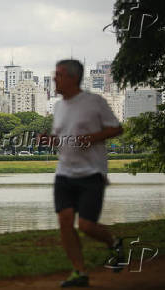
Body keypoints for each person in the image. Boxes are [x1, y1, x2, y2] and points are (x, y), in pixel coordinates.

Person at [51, 59, 124, 287]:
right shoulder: (58, 106)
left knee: (86, 226)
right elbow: (59, 138)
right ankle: (79, 272)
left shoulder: (94, 102)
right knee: (64, 222)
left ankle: (113, 243)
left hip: (91, 172)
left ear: (73, 78)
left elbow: (117, 128)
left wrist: (92, 138)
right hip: (64, 173)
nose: (55, 78)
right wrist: (48, 140)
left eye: (59, 75)